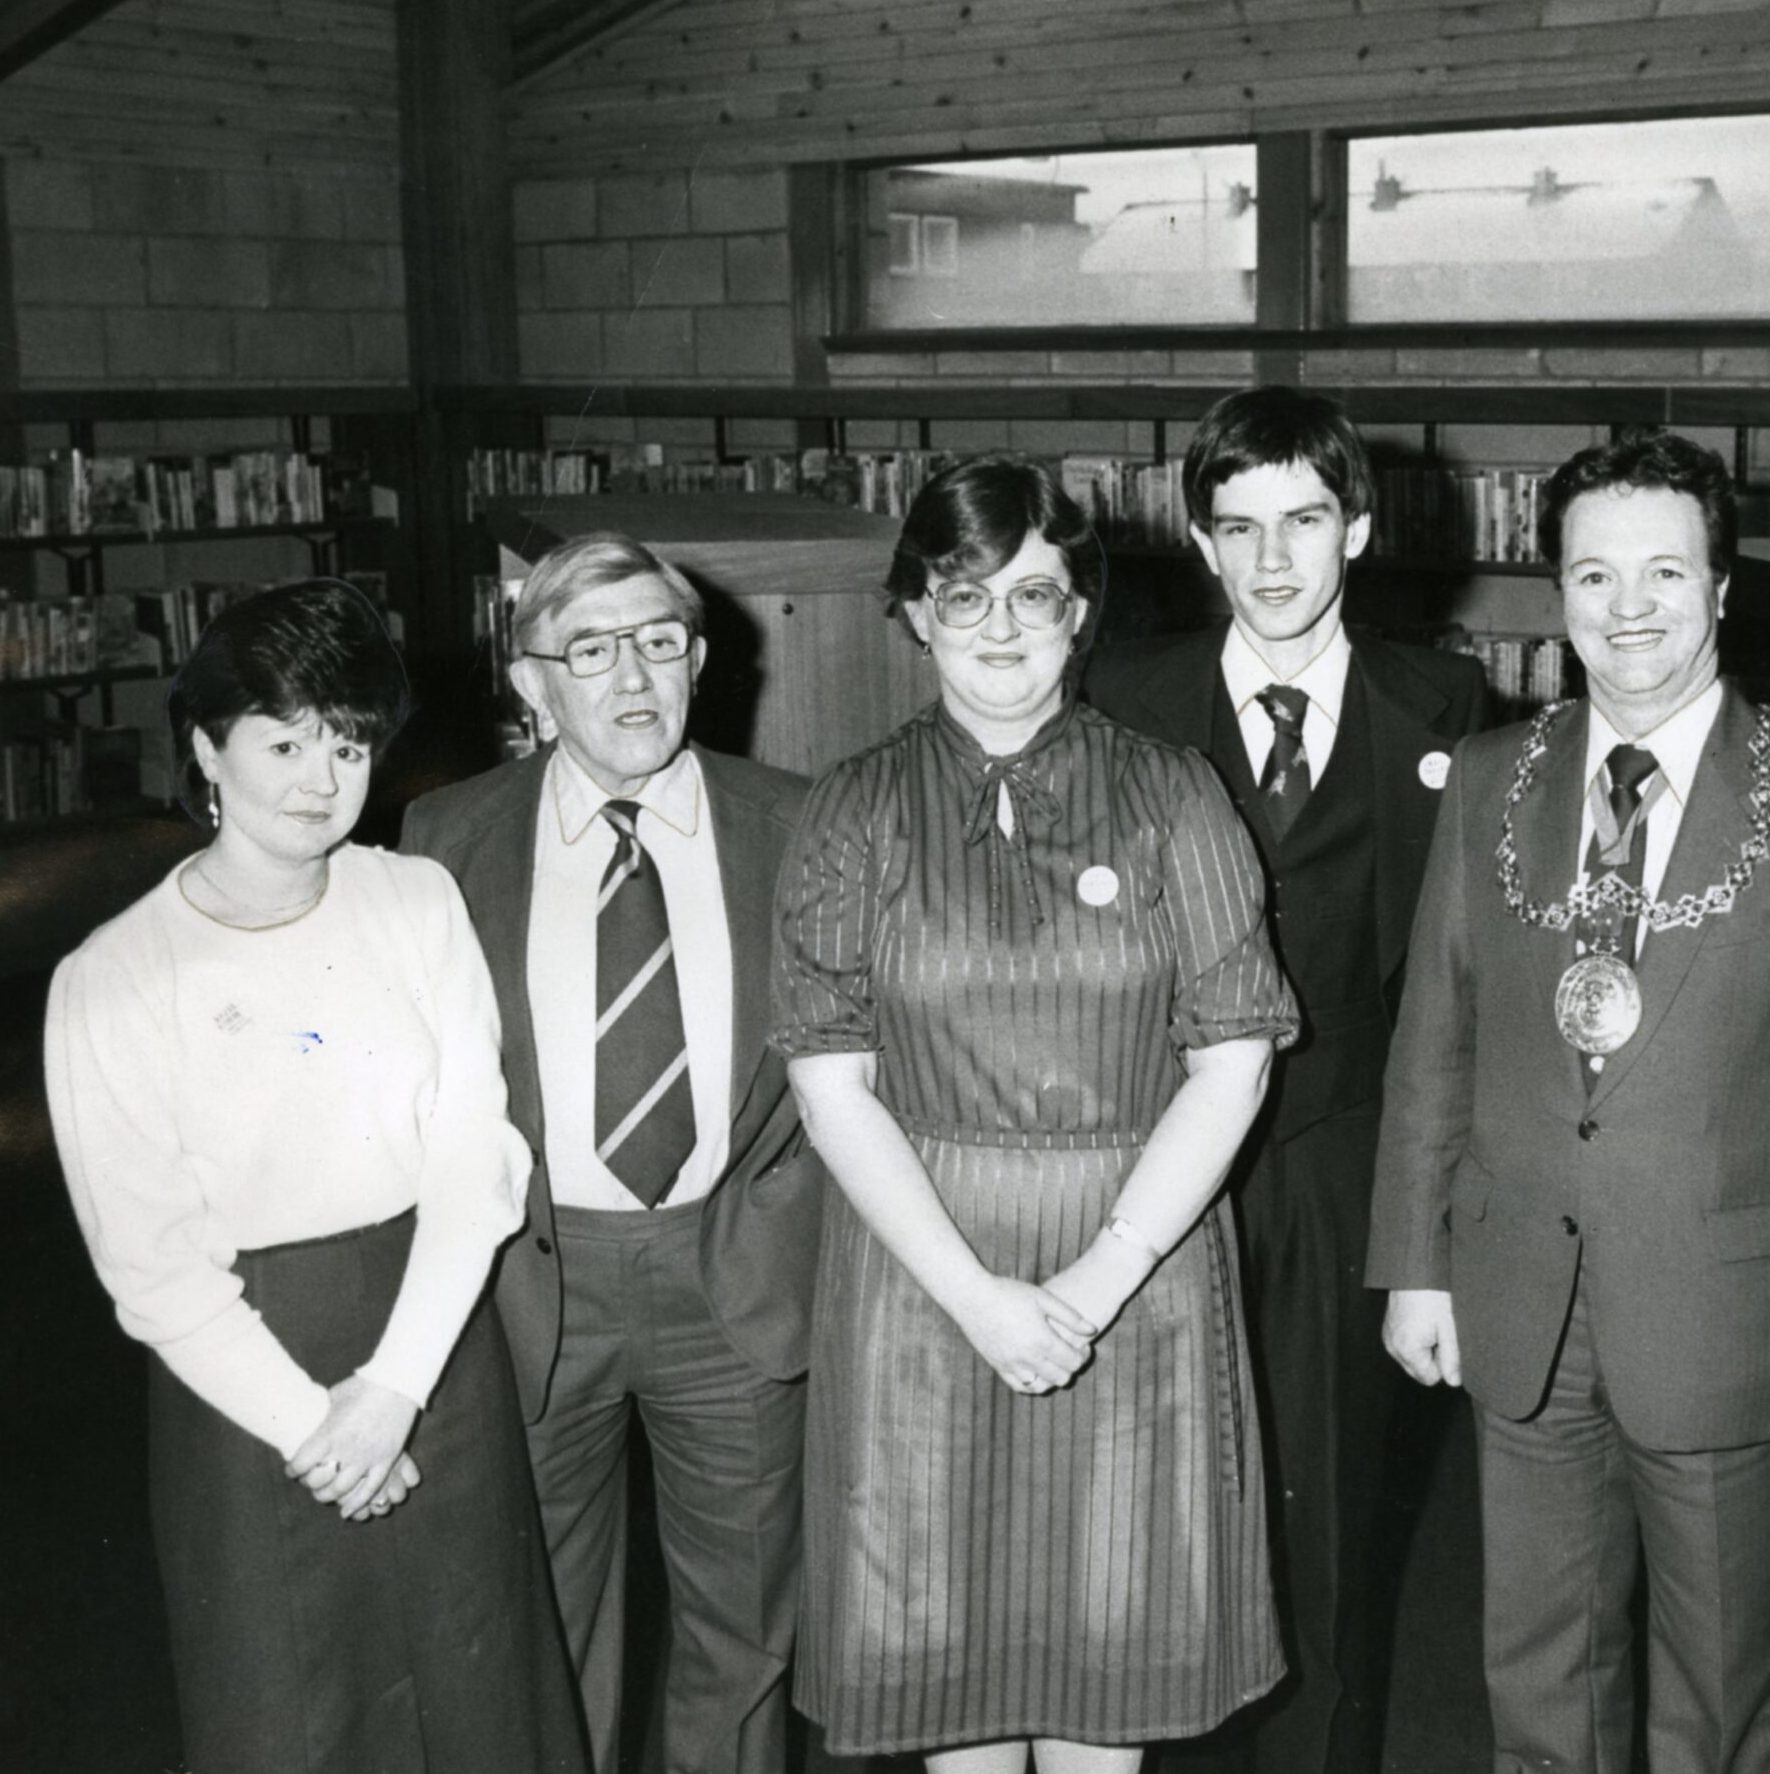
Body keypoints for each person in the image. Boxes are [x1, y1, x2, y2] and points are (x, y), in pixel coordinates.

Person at [1368, 429, 1770, 1773]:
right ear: (1554, 592)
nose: (1627, 611)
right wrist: (1412, 1264)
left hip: (1725, 1315)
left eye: (1663, 573)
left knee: (1719, 1688)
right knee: (1536, 1667)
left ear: (1722, 589)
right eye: (1593, 575)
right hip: (1517, 1295)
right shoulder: (1493, 780)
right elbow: (1433, 1038)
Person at [774, 454, 1297, 1774]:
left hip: (1138, 1271)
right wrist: (976, 1296)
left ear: (1080, 611)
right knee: (957, 1701)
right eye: (964, 597)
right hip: (920, 1282)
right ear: (911, 614)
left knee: (1100, 1698)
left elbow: (1231, 1061)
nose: (1000, 630)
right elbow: (830, 1087)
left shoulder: (1178, 794)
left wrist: (1097, 1279)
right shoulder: (852, 810)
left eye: (1033, 594)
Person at [43, 580, 582, 1774]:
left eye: (344, 743)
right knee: (294, 1717)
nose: (317, 778)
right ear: (205, 748)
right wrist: (319, 1428)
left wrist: (394, 1389)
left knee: (483, 1695)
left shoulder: (415, 897)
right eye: (281, 742)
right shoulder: (112, 978)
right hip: (246, 1384)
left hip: (432, 1341)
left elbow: (472, 1155)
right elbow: (154, 1268)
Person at [1082, 384, 1489, 1774]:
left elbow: (1454, 989)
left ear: (1356, 530)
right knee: (1164, 1520)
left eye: (1302, 521)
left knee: (1326, 1533)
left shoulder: (1443, 707)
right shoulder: (1122, 701)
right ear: (1199, 546)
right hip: (1151, 1175)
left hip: (1341, 1170)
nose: (1271, 561)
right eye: (1238, 527)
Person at [400, 533, 821, 1774]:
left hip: (734, 1276)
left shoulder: (795, 821)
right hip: (533, 1278)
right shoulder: (444, 837)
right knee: (539, 1628)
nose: (633, 677)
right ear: (531, 684)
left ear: (700, 660)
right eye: (590, 649)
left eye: (658, 641)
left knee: (744, 1640)